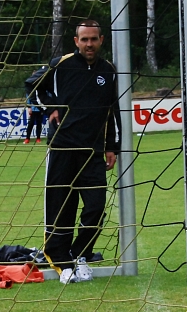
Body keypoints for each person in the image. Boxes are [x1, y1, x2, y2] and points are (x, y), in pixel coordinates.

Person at [31, 19, 121, 284]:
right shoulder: (60, 64)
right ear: (76, 41)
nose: (89, 44)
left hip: (93, 151)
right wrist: (51, 107)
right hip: (62, 149)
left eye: (93, 39)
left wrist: (112, 147)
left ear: (101, 40)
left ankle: (79, 253)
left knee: (95, 207)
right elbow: (32, 87)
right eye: (84, 39)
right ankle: (61, 261)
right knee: (61, 207)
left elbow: (112, 112)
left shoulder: (109, 70)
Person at [23, 65, 48, 144]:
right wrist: (29, 107)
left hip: (40, 108)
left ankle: (38, 138)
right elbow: (28, 97)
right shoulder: (30, 86)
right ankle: (27, 138)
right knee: (30, 124)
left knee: (39, 123)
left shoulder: (42, 85)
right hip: (33, 108)